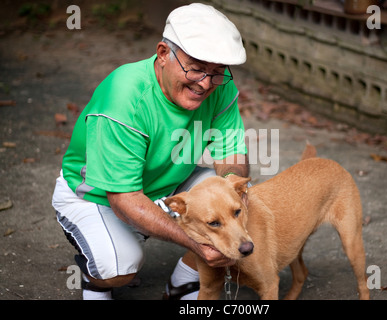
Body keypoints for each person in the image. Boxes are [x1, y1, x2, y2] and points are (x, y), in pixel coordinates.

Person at [51, 3, 249, 300]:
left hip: (167, 184)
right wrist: (198, 243)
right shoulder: (125, 98)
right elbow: (125, 199)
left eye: (216, 72)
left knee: (240, 205)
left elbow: (232, 154)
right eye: (195, 69)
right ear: (163, 54)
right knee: (119, 268)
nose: (206, 84)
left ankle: (184, 280)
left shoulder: (219, 87)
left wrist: (233, 192)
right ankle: (95, 279)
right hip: (99, 195)